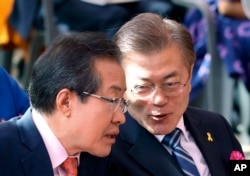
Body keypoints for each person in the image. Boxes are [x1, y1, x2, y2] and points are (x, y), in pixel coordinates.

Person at [84, 13, 244, 176]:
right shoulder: (105, 149)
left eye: (170, 84)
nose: (159, 99)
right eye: (143, 87)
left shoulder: (216, 125)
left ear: (189, 75)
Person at [0, 32, 127, 175]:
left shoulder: (108, 155)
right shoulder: (4, 153)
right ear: (65, 102)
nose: (121, 118)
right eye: (113, 100)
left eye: (122, 102)